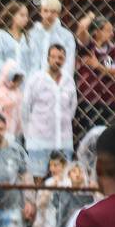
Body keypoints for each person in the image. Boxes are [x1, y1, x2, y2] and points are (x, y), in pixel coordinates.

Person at [22, 43, 77, 177]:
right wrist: (28, 133)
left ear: (64, 60)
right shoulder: (36, 79)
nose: (57, 60)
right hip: (38, 138)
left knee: (64, 178)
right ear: (47, 58)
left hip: (63, 138)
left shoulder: (69, 80)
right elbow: (25, 108)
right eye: (53, 57)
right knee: (38, 176)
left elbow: (72, 107)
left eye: (60, 57)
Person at [0, 1, 31, 88]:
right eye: (22, 15)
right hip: (3, 84)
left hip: (24, 85)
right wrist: (11, 77)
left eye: (27, 16)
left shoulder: (28, 38)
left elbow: (31, 63)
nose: (26, 19)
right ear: (12, 15)